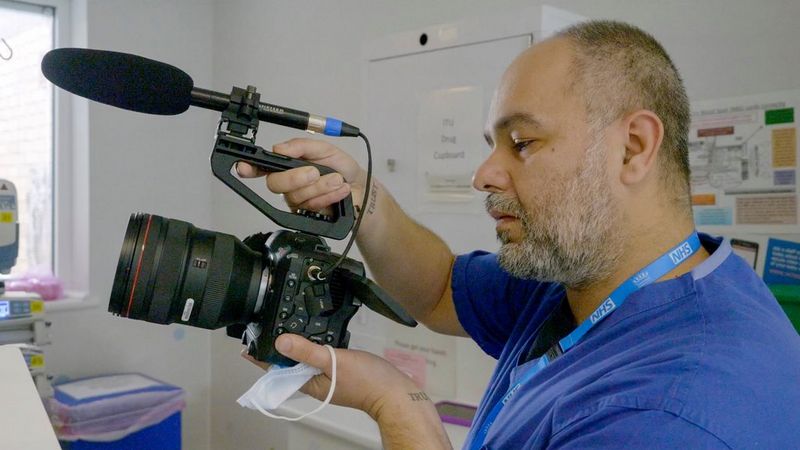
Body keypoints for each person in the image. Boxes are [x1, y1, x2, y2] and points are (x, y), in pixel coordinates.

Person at [239, 20, 800, 449]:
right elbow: (439, 289)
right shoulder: (583, 277)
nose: (484, 174)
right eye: (492, 144)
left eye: (522, 143)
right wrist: (361, 197)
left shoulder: (670, 414)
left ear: (632, 148)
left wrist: (397, 406)